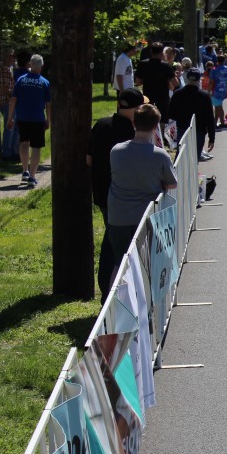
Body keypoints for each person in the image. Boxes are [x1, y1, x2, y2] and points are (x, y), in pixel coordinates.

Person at [88, 87, 144, 302]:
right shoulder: (132, 132)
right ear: (137, 108)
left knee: (111, 240)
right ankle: (111, 293)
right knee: (116, 246)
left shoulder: (101, 124)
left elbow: (89, 159)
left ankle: (111, 290)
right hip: (122, 199)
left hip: (101, 193)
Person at [107, 103, 178, 270]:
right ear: (155, 127)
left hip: (119, 215)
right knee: (147, 266)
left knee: (120, 265)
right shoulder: (160, 155)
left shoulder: (116, 151)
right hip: (146, 217)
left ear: (133, 123)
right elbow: (172, 183)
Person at [7, 54, 51, 187]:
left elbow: (13, 100)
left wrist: (10, 118)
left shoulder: (21, 80)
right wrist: (48, 119)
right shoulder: (44, 82)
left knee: (24, 143)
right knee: (36, 147)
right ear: (42, 66)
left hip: (22, 117)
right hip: (37, 119)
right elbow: (48, 104)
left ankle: (25, 170)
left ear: (30, 65)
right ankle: (32, 176)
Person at [168, 69, 216, 160]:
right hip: (199, 131)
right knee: (194, 159)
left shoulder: (177, 94)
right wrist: (212, 138)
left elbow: (171, 114)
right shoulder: (205, 96)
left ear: (187, 78)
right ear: (199, 79)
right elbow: (210, 118)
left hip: (182, 129)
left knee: (181, 157)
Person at [134, 43, 174, 130]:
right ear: (162, 52)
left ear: (151, 51)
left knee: (148, 115)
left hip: (148, 94)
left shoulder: (143, 64)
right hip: (162, 96)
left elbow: (138, 82)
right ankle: (161, 135)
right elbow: (175, 82)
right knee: (162, 118)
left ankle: (148, 132)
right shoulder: (166, 65)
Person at [0, 49, 20, 160]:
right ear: (7, 57)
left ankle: (14, 152)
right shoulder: (0, 69)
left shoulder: (9, 69)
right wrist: (14, 95)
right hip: (5, 101)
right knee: (10, 126)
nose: (14, 59)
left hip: (10, 101)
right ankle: (7, 154)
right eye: (13, 57)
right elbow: (2, 88)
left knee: (15, 126)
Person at [209, 55, 227, 128]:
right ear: (224, 61)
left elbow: (211, 82)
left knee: (218, 107)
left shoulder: (214, 70)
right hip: (224, 90)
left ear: (217, 61)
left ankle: (218, 123)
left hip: (216, 90)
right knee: (218, 106)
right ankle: (219, 122)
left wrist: (209, 91)